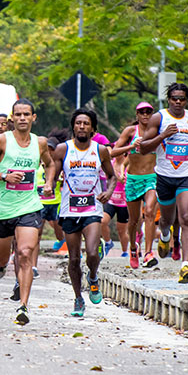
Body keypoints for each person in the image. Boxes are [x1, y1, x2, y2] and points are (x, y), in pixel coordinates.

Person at [0, 98, 55, 325]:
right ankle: (0, 265)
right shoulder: (2, 141)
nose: (22, 118)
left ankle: (23, 306)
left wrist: (49, 181)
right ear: (12, 118)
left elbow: (49, 164)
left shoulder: (40, 143)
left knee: (24, 252)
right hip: (2, 209)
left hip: (29, 206)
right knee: (2, 257)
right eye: (18, 115)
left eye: (26, 114)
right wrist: (4, 176)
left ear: (33, 117)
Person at [51, 108, 116, 317]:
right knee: (73, 260)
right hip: (70, 209)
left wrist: (108, 191)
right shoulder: (63, 149)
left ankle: (94, 276)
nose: (81, 126)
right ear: (73, 126)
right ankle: (78, 298)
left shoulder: (100, 150)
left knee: (91, 252)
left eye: (86, 123)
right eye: (78, 123)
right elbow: (53, 172)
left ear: (93, 128)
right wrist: (49, 184)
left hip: (92, 207)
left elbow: (112, 176)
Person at [140, 83, 188, 283]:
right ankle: (166, 236)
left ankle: (185, 266)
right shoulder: (158, 118)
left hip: (187, 174)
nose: (178, 102)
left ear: (186, 100)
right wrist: (163, 135)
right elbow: (143, 148)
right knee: (167, 220)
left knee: (186, 217)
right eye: (174, 98)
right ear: (169, 99)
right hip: (165, 176)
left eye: (182, 99)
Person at [112, 101, 158, 268]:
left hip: (152, 177)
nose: (145, 114)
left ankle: (148, 253)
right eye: (142, 112)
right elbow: (114, 151)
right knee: (133, 220)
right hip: (133, 179)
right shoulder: (131, 132)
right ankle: (133, 248)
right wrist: (131, 147)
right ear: (137, 115)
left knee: (150, 213)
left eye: (148, 112)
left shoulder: (157, 131)